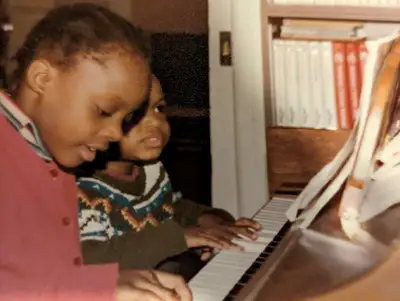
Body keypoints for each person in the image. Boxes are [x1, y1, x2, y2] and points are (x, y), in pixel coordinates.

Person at [0, 4, 191, 301]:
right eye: (103, 111)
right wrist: (96, 289)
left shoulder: (51, 154)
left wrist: (111, 278)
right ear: (42, 79)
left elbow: (42, 276)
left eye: (123, 120)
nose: (116, 134)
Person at [77, 75, 261, 280]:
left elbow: (171, 209)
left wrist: (208, 223)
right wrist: (180, 238)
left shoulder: (152, 171)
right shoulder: (82, 192)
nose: (155, 122)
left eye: (159, 108)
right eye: (133, 115)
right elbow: (90, 259)